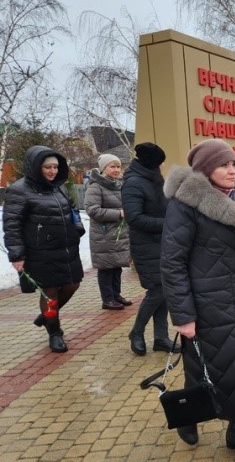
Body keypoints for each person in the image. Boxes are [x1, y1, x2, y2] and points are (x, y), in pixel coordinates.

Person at [160, 138, 235, 458]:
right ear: (204, 169)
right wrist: (183, 315)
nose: (232, 170)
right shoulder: (185, 204)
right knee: (201, 368)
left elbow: (227, 251)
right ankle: (189, 419)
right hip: (205, 305)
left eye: (232, 164)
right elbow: (172, 263)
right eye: (223, 165)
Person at [2, 146, 85, 353]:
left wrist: (77, 228)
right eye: (47, 167)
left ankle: (47, 316)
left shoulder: (59, 187)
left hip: (66, 250)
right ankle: (54, 332)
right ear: (36, 166)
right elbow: (12, 225)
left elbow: (72, 209)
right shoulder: (19, 190)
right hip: (39, 252)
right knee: (49, 295)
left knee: (72, 285)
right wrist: (17, 255)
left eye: (56, 167)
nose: (53, 171)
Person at [121, 142, 173, 355]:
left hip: (163, 243)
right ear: (151, 164)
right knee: (157, 290)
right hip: (145, 246)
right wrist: (167, 223)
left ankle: (161, 338)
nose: (162, 167)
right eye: (159, 163)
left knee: (165, 291)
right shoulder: (133, 183)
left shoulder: (154, 180)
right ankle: (136, 331)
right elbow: (134, 218)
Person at [84, 154, 132, 310]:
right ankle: (107, 299)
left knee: (116, 265)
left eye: (118, 166)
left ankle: (116, 294)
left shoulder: (119, 184)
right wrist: (119, 213)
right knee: (106, 268)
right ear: (104, 169)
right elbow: (92, 210)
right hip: (103, 235)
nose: (116, 170)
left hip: (118, 233)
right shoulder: (95, 186)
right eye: (112, 166)